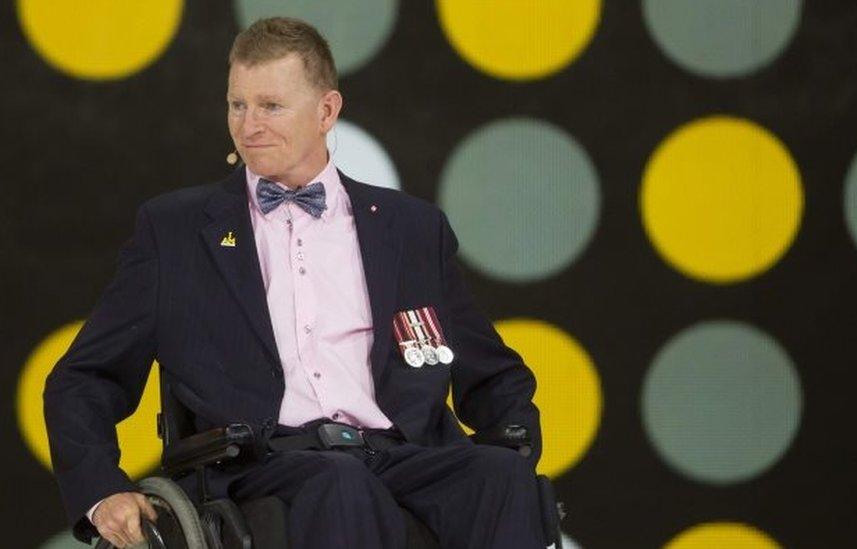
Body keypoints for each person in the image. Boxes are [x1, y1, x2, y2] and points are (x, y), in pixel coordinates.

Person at [44, 16, 544, 549]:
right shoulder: (175, 232)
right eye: (238, 105)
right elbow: (83, 378)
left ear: (327, 111)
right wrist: (102, 492)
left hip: (402, 451)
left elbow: (491, 374)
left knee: (498, 478)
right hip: (264, 462)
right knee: (340, 482)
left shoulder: (412, 230)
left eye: (271, 106)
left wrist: (510, 446)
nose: (249, 125)